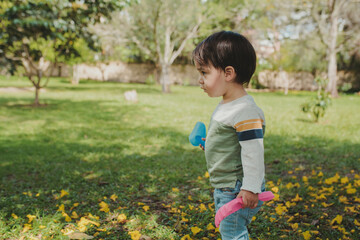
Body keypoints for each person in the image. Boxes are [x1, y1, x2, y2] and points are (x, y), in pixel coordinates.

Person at [192, 31, 266, 240]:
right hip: (227, 185)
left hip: (237, 188)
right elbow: (232, 141)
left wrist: (250, 188)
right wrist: (213, 144)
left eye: (204, 72)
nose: (200, 80)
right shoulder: (229, 104)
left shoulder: (245, 110)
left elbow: (253, 152)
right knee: (229, 228)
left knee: (232, 231)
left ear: (228, 73)